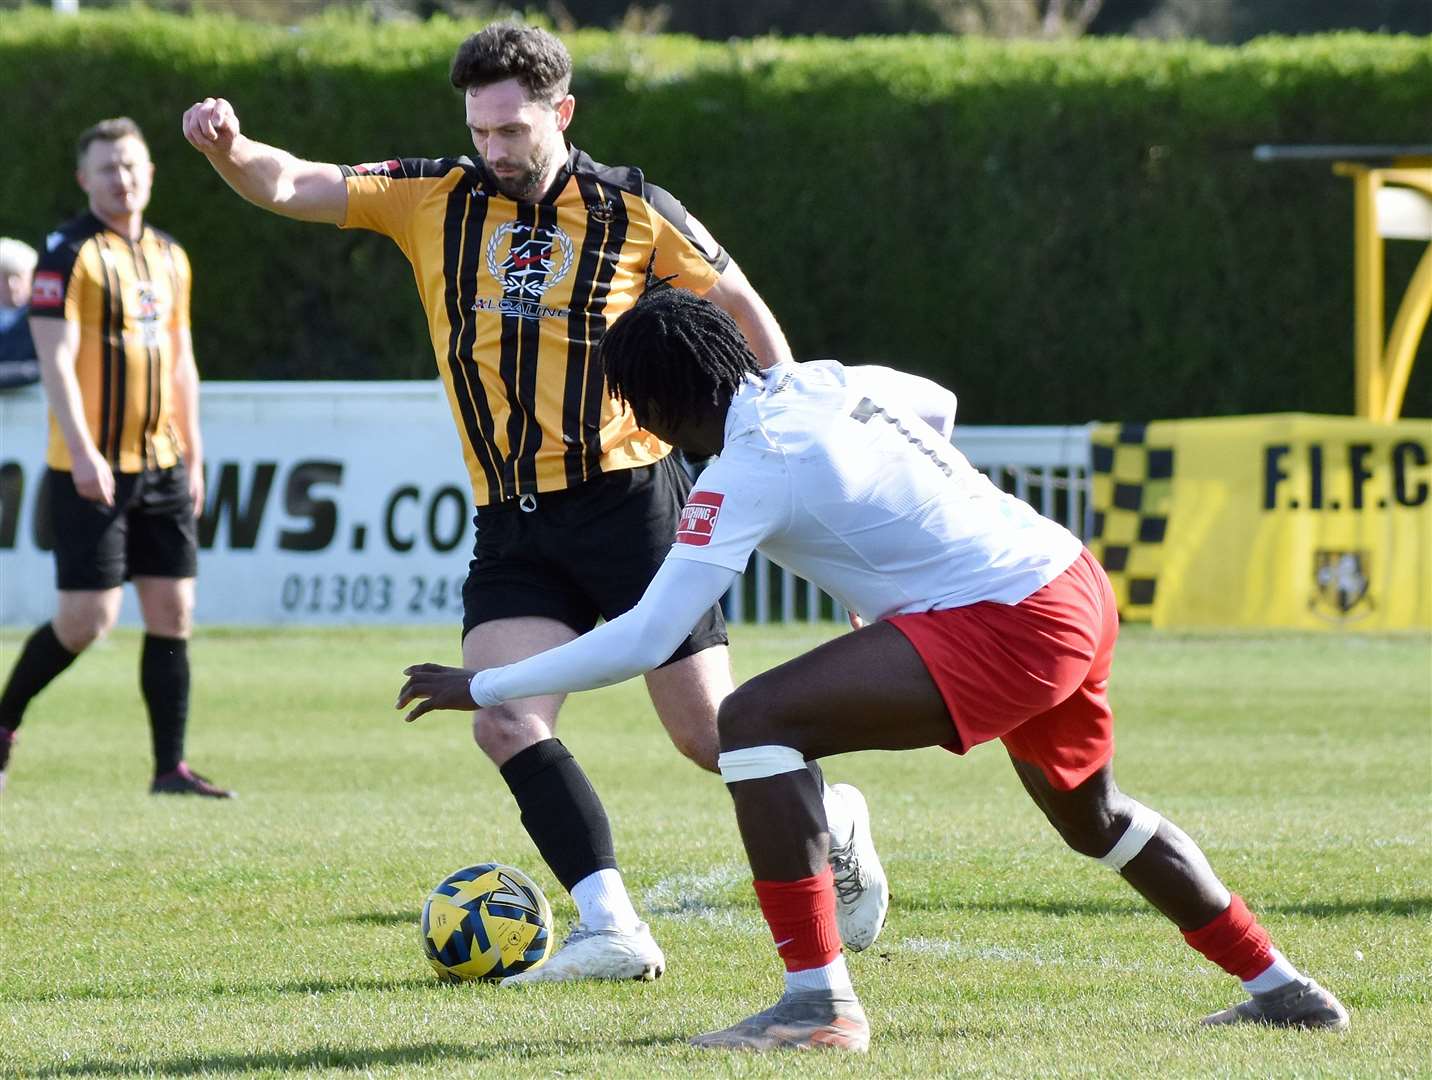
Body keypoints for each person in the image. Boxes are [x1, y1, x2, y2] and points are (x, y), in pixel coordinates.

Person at [396, 287, 1351, 1050]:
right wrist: (904, 551)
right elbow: (935, 407)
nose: (639, 431)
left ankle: (816, 1005)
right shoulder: (816, 380)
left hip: (1007, 617)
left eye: (637, 410)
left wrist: (480, 685)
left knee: (753, 722)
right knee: (1093, 816)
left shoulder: (745, 465)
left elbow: (650, 637)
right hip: (1063, 578)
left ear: (662, 403)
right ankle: (1283, 988)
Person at [180, 22, 885, 981]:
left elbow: (744, 310)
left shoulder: (634, 210)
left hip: (630, 502)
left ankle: (836, 820)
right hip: (511, 518)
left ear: (562, 112)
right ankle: (613, 929)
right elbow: (292, 182)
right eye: (481, 131)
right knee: (503, 717)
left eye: (512, 130)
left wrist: (813, 456)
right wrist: (230, 149)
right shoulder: (434, 197)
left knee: (711, 739)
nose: (495, 151)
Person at [0, 119, 232, 798]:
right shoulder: (68, 254)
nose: (120, 178)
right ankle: (5, 719)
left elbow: (183, 362)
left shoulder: (169, 255)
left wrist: (195, 452)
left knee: (173, 612)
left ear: (151, 172)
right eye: (106, 168)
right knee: (86, 621)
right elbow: (54, 360)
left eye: (130, 165)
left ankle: (170, 769)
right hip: (91, 466)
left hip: (163, 463)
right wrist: (80, 451)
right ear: (84, 179)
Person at [0, 237, 41, 389]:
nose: (12, 285)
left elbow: (44, 365)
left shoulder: (43, 319)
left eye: (17, 276)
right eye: (4, 277)